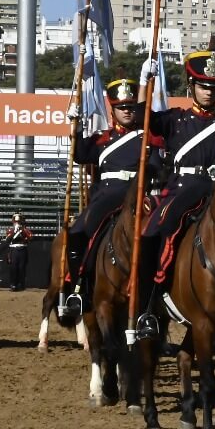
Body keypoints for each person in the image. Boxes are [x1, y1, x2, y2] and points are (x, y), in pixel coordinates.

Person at [133, 48, 215, 339]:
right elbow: (141, 120)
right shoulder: (176, 120)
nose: (208, 92)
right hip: (182, 190)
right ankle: (148, 308)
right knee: (152, 235)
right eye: (203, 86)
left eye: (214, 87)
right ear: (191, 86)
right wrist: (146, 83)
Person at [59, 79, 153, 318]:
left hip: (137, 195)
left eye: (131, 106)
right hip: (106, 196)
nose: (127, 111)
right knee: (78, 232)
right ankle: (78, 289)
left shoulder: (147, 139)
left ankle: (156, 296)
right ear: (112, 109)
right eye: (122, 107)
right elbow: (80, 155)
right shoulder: (102, 139)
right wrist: (76, 126)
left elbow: (157, 167)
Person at [5, 213, 32, 291]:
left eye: (19, 222)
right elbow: (7, 240)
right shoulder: (10, 230)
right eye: (16, 222)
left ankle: (21, 284)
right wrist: (14, 231)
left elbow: (30, 238)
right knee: (13, 268)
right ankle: (13, 284)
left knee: (21, 268)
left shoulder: (25, 230)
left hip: (22, 249)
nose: (17, 223)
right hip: (13, 250)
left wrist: (22, 231)